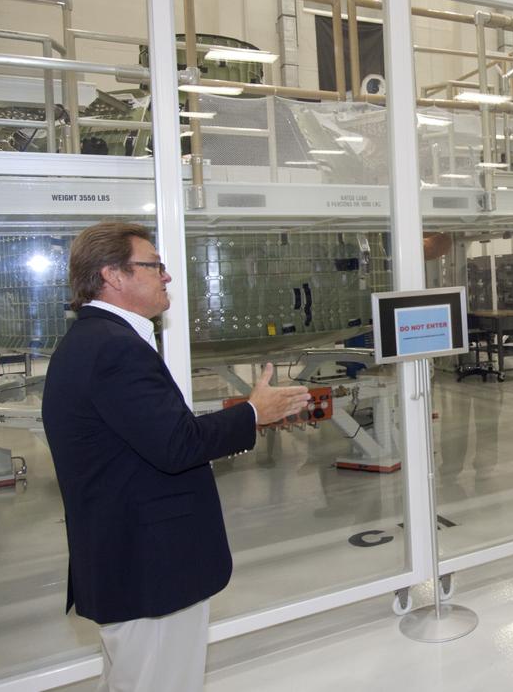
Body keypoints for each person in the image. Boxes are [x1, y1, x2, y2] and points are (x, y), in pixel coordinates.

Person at [42, 222, 312, 691]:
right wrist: (253, 413)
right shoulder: (113, 350)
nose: (166, 276)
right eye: (154, 266)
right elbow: (176, 445)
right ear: (114, 275)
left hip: (127, 557)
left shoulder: (93, 342)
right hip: (149, 565)